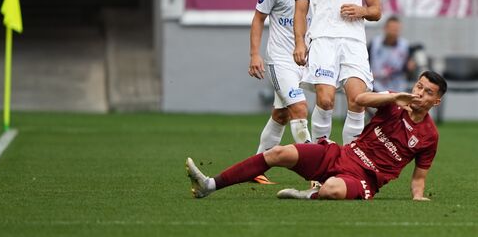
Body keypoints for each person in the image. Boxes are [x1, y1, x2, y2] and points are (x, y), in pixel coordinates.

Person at [186, 71, 446, 201]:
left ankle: (309, 194)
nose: (420, 93)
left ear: (436, 102)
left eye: (428, 92)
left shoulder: (429, 137)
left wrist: (418, 196)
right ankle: (210, 185)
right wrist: (394, 96)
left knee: (332, 188)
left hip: (364, 178)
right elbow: (359, 99)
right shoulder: (394, 102)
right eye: (419, 86)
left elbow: (419, 177)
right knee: (278, 153)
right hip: (341, 155)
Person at [293, 0, 381, 145]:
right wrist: (300, 42)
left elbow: (376, 10)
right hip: (323, 40)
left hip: (353, 42)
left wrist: (361, 10)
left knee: (358, 101)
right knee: (325, 100)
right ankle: (321, 162)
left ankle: (349, 164)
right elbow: (300, 10)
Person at [248, 0, 316, 184]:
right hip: (282, 60)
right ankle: (314, 171)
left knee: (281, 115)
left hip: (308, 62)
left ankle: (255, 167)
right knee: (299, 108)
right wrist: (254, 54)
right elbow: (258, 19)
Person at [368, 15, 416, 92]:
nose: (394, 32)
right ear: (385, 28)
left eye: (396, 29)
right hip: (376, 86)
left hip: (397, 88)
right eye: (391, 28)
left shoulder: (405, 46)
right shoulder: (375, 43)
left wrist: (410, 67)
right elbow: (366, 61)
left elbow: (407, 67)